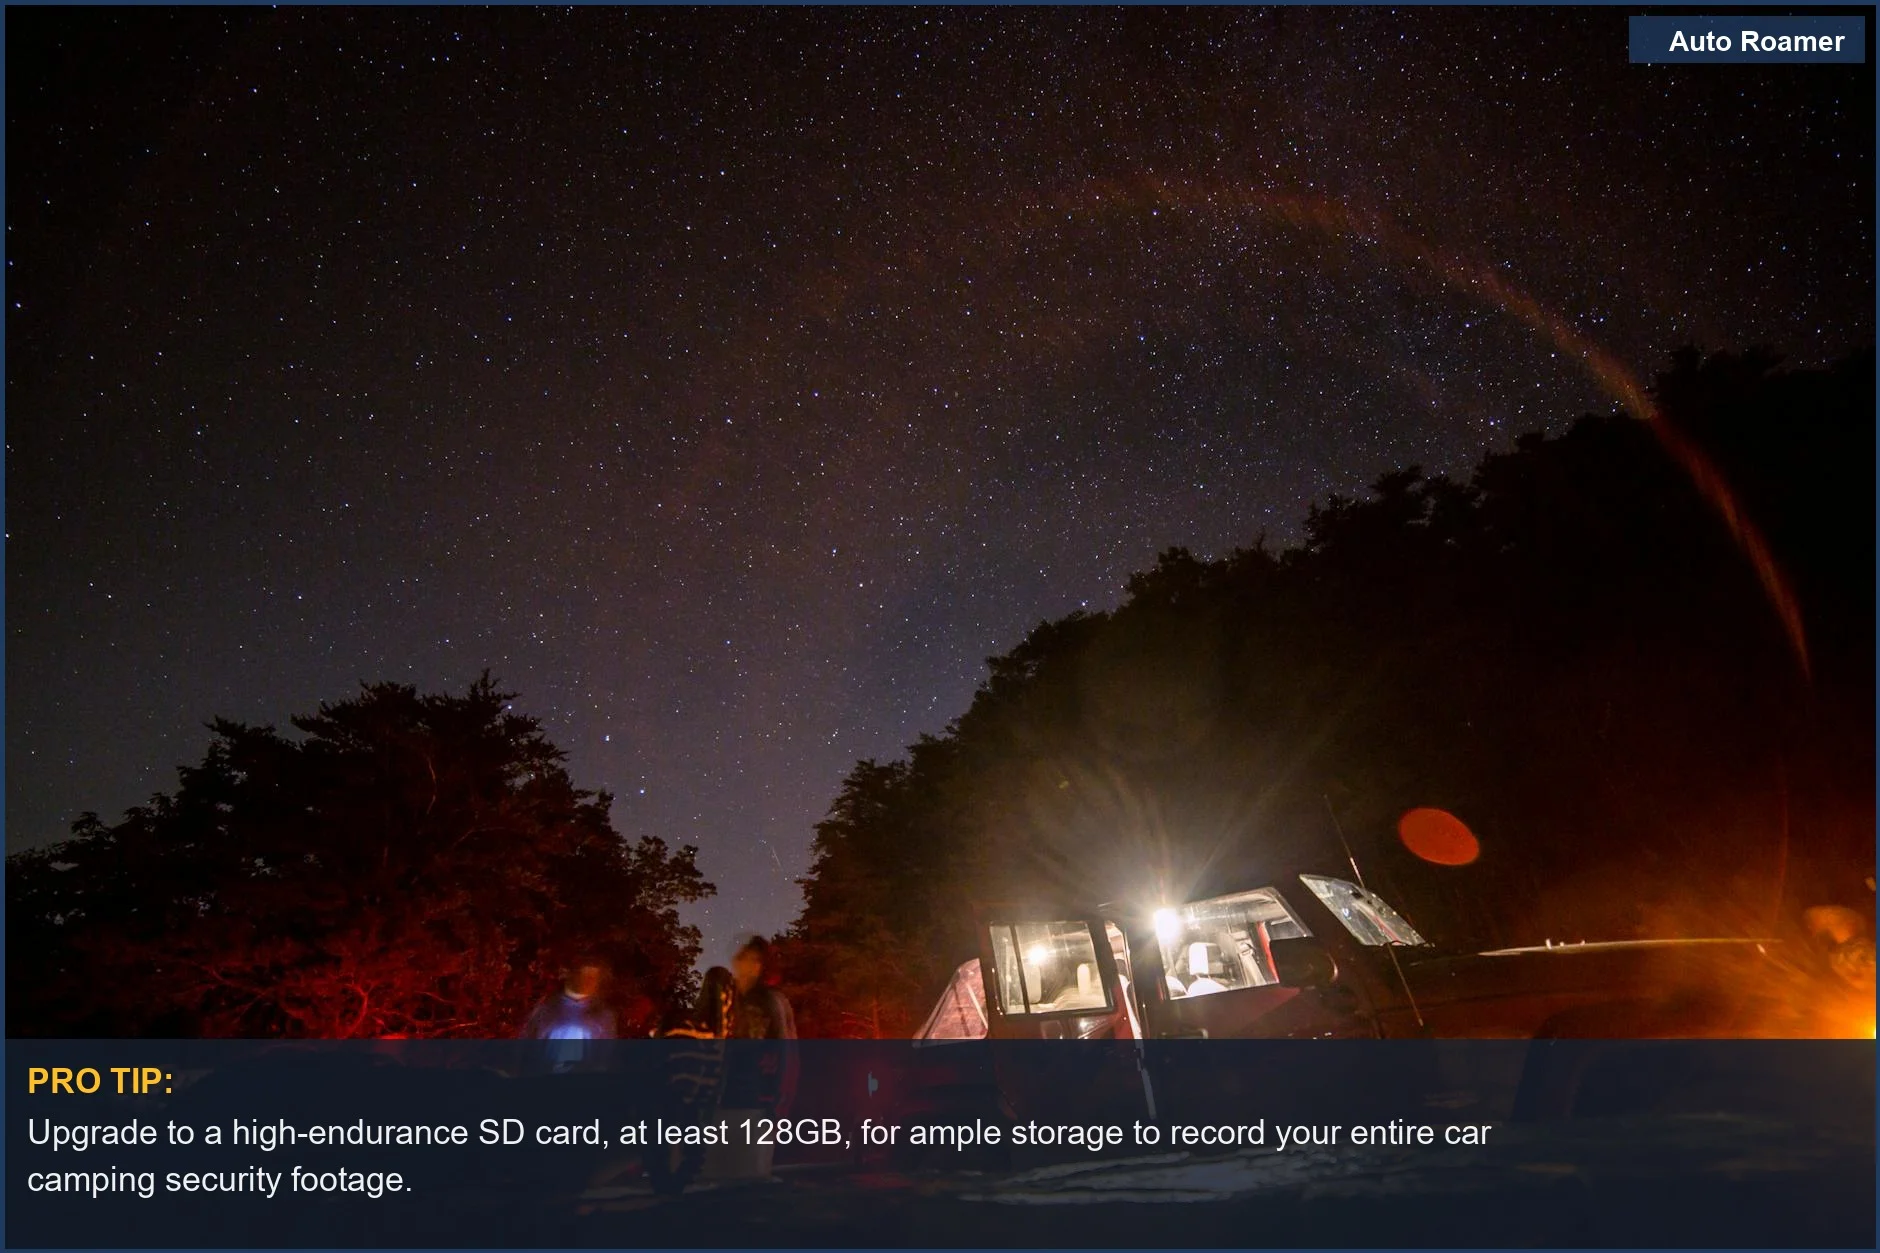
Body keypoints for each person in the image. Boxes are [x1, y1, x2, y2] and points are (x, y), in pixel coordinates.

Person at [521, 957, 617, 1072]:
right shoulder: (545, 1009)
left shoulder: (603, 1016)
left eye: (593, 977)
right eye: (584, 974)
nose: (588, 981)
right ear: (572, 974)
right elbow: (526, 1046)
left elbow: (604, 1058)